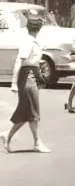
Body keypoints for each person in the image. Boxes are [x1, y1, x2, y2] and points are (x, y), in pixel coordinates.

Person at [0, 15, 50, 153]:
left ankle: (7, 135)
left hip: (31, 76)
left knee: (26, 112)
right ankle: (37, 142)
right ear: (39, 28)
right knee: (33, 111)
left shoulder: (32, 41)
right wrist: (14, 83)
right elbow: (20, 62)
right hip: (28, 77)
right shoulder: (28, 42)